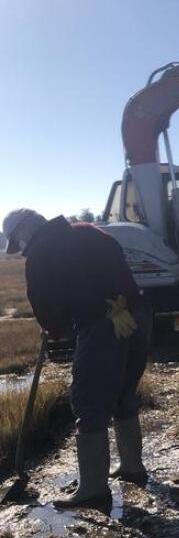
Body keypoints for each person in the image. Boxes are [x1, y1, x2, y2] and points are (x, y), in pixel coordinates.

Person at [2, 209, 152, 510]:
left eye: (18, 243)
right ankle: (132, 468)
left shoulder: (41, 254)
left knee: (88, 403)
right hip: (138, 318)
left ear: (24, 234)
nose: (22, 251)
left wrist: (55, 329)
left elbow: (47, 312)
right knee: (124, 395)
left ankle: (93, 490)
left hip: (102, 326)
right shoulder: (90, 231)